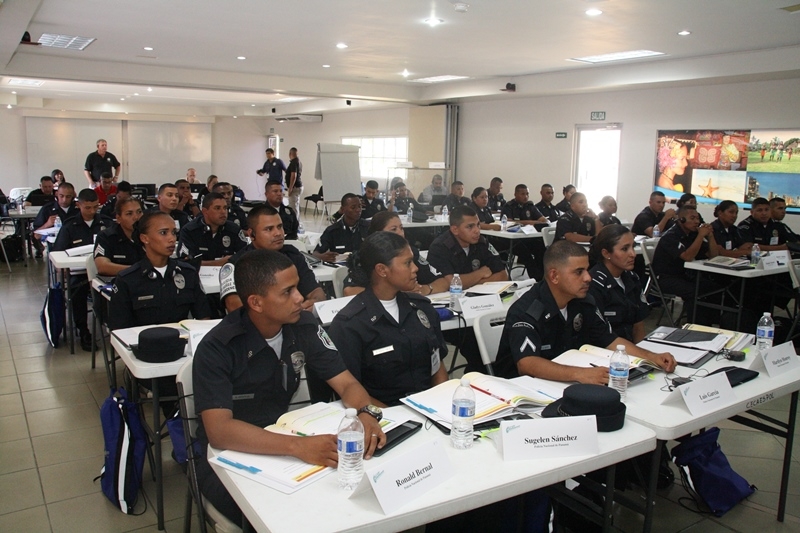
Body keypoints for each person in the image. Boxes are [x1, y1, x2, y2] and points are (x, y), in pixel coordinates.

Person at [193, 249, 386, 526]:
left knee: (356, 495)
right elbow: (220, 432)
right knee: (281, 519)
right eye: (287, 292)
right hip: (227, 457)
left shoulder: (303, 325)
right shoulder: (218, 347)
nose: (299, 298)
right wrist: (298, 447)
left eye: (297, 287)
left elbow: (346, 383)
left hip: (283, 440)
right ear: (256, 302)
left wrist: (365, 413)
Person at [493, 240, 676, 381]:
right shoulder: (527, 310)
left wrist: (652, 357)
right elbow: (527, 364)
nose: (588, 277)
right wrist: (580, 374)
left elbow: (609, 340)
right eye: (579, 272)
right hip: (524, 389)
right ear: (554, 276)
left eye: (587, 270)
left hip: (564, 380)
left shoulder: (583, 301)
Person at [329, 232, 449, 406]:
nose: (415, 268)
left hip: (430, 408)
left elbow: (437, 366)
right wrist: (396, 416)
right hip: (382, 413)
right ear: (382, 270)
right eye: (407, 263)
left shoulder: (422, 308)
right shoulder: (350, 325)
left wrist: (442, 404)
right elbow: (350, 390)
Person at [427, 206, 509, 372]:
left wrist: (469, 282)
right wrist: (480, 273)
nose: (477, 230)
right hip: (455, 315)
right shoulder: (440, 247)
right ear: (455, 229)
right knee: (479, 345)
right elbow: (451, 284)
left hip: (482, 305)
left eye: (478, 225)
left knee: (506, 336)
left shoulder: (482, 242)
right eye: (470, 226)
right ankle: (478, 378)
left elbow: (502, 275)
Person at [109, 210, 210, 329]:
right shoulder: (127, 279)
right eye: (163, 233)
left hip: (181, 338)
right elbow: (119, 329)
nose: (172, 239)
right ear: (145, 238)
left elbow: (204, 318)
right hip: (142, 339)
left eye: (174, 232)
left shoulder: (188, 273)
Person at [220, 204, 325, 312]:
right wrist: (281, 314)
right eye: (269, 229)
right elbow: (234, 305)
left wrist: (313, 303)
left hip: (299, 316)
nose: (278, 233)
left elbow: (316, 292)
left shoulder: (294, 255)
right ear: (251, 235)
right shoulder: (235, 265)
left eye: (279, 227)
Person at [53, 189, 112, 351]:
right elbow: (58, 252)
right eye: (88, 208)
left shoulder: (106, 223)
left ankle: (111, 325)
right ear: (78, 205)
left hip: (103, 271)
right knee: (76, 292)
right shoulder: (70, 226)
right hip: (79, 273)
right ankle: (83, 330)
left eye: (95, 207)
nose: (92, 211)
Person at [343, 211, 449, 296]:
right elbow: (349, 291)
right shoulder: (367, 255)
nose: (400, 233)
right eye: (393, 229)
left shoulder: (409, 253)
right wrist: (396, 294)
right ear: (378, 234)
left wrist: (423, 289)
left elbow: (443, 282)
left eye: (401, 228)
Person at [651, 206, 720, 324]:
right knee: (694, 291)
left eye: (697, 218)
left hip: (684, 275)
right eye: (692, 218)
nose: (696, 222)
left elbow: (713, 256)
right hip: (665, 278)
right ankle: (695, 325)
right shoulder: (671, 236)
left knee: (713, 288)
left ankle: (711, 323)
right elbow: (687, 257)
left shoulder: (692, 235)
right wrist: (700, 236)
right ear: (681, 220)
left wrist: (710, 236)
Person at [588, 225, 650, 343]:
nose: (633, 254)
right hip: (605, 348)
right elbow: (601, 337)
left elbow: (638, 325)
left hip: (630, 347)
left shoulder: (632, 278)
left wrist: (642, 351)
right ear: (606, 253)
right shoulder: (594, 284)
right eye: (624, 249)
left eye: (633, 247)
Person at [178, 192, 248, 267]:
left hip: (227, 272)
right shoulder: (189, 230)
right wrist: (218, 263)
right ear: (205, 212)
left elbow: (246, 256)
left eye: (225, 208)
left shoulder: (234, 229)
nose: (223, 212)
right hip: (198, 273)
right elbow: (184, 262)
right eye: (217, 208)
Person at [501, 184, 549, 280]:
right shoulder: (509, 206)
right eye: (522, 194)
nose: (526, 196)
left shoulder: (530, 206)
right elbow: (509, 222)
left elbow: (544, 219)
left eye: (527, 194)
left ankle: (543, 277)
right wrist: (531, 222)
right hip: (513, 240)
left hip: (528, 237)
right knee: (525, 254)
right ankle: (536, 278)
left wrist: (533, 222)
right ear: (515, 194)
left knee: (541, 248)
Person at [94, 197, 145, 276]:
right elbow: (102, 267)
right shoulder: (106, 236)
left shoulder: (149, 235)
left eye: (139, 212)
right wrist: (137, 271)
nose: (136, 217)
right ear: (118, 218)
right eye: (129, 214)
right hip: (119, 280)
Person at [313, 194, 370, 261]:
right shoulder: (332, 231)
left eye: (360, 206)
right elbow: (315, 253)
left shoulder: (368, 227)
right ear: (343, 209)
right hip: (339, 265)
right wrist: (322, 257)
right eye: (353, 207)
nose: (358, 210)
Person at [285, 147, 303, 217]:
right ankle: (297, 221)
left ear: (290, 154)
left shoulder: (294, 162)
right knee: (296, 206)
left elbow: (293, 176)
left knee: (293, 207)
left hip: (295, 187)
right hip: (298, 186)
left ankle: (295, 222)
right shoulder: (299, 161)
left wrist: (290, 188)